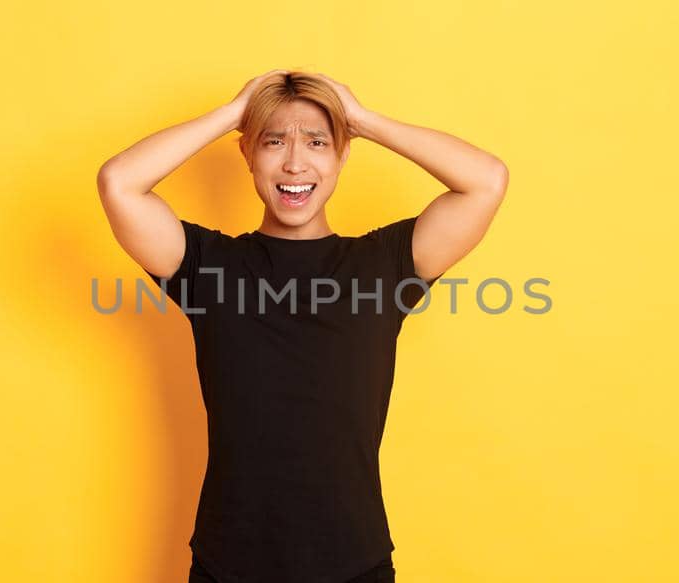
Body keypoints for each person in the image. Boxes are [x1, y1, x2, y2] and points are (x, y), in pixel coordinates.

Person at [97, 69, 508, 583]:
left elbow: (486, 180)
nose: (295, 162)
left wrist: (361, 120)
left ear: (341, 155)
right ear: (247, 154)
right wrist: (235, 111)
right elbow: (119, 184)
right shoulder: (209, 267)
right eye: (273, 142)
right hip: (229, 567)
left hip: (354, 565)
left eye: (317, 142)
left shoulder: (383, 267)